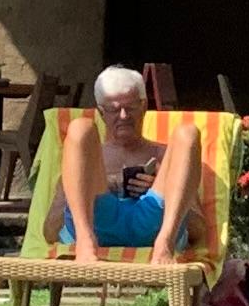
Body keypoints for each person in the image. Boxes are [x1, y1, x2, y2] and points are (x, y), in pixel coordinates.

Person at [56, 66, 214, 267]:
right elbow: (50, 227)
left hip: (155, 222)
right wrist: (102, 185)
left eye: (130, 108)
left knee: (188, 133)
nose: (123, 116)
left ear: (144, 106)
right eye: (113, 109)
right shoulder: (83, 156)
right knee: (80, 127)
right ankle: (85, 244)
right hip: (96, 221)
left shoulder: (167, 157)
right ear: (100, 112)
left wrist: (165, 187)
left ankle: (164, 245)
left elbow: (198, 230)